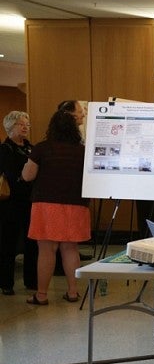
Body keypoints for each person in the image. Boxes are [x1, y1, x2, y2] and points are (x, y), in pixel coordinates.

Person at [22, 109, 90, 305]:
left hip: (46, 203)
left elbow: (28, 176)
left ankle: (41, 295)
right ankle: (73, 292)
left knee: (46, 249)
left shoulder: (42, 148)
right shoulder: (82, 151)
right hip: (76, 204)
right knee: (70, 248)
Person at [0, 111, 38, 295]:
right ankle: (6, 282)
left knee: (32, 242)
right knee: (8, 242)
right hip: (11, 203)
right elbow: (10, 174)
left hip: (31, 201)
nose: (25, 127)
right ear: (9, 127)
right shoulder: (5, 149)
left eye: (27, 124)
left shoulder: (31, 148)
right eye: (20, 124)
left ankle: (31, 281)